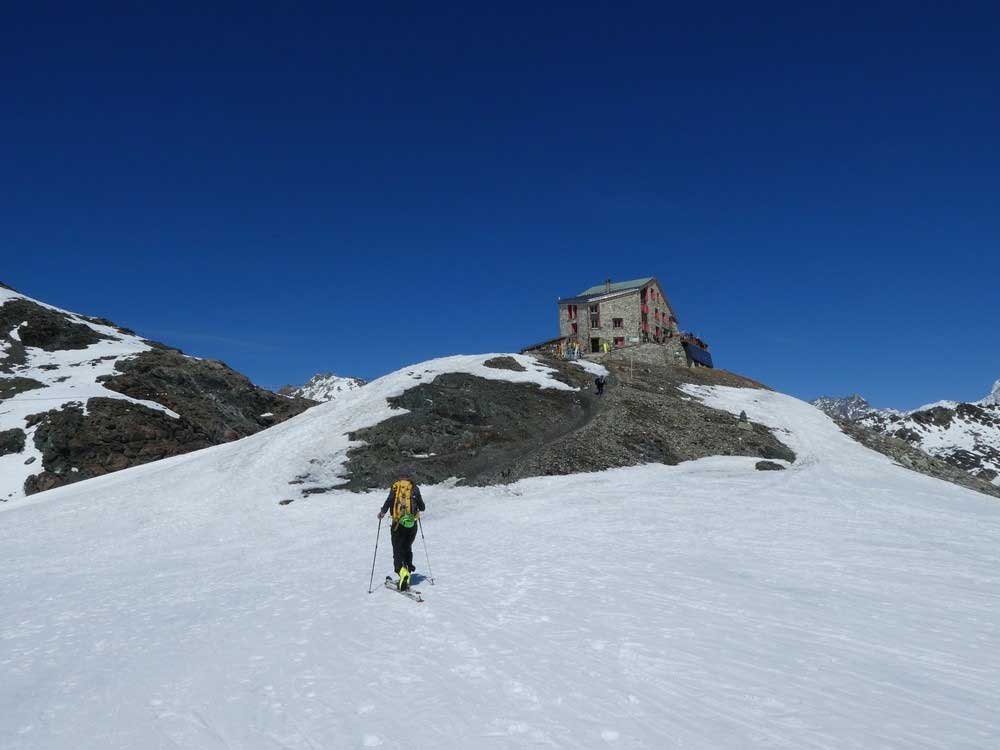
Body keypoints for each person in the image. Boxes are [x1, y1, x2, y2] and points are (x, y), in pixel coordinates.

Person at [378, 469, 425, 590]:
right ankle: (408, 569)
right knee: (407, 547)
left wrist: (382, 512)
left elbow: (389, 501)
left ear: (400, 476)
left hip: (397, 524)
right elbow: (422, 507)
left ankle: (402, 572)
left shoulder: (396, 487)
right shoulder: (414, 488)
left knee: (397, 549)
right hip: (412, 525)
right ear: (409, 477)